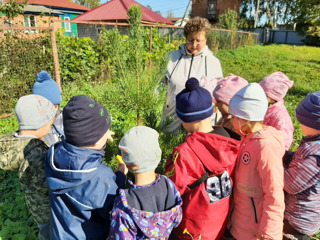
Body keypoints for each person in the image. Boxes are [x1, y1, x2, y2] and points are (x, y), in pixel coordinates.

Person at [164, 78, 242, 240]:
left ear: (184, 119)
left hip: (192, 229)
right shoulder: (230, 141)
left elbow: (172, 190)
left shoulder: (185, 153)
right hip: (219, 222)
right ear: (210, 111)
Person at [45, 95, 127, 240]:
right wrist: (121, 176)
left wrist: (101, 133)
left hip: (61, 233)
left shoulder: (54, 153)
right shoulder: (100, 177)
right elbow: (112, 209)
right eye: (104, 130)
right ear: (94, 139)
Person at [225, 83, 285, 240]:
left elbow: (274, 193)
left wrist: (269, 235)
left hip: (254, 233)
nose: (230, 121)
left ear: (245, 119)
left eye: (233, 117)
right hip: (237, 226)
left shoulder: (265, 147)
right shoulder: (246, 139)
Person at [108, 126, 183, 239]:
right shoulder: (168, 185)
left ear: (128, 163)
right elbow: (177, 219)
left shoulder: (124, 205)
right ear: (158, 156)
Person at [0, 94, 57, 240]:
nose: (50, 129)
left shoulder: (12, 143)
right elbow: (46, 186)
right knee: (49, 234)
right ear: (39, 124)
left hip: (33, 204)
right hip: (46, 210)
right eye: (50, 125)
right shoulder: (36, 153)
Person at [160, 16, 223, 133]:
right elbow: (159, 86)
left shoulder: (213, 62)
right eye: (190, 40)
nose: (194, 45)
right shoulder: (171, 58)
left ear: (206, 39)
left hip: (200, 124)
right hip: (172, 118)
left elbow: (219, 93)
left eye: (198, 41)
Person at [282, 91, 320, 240]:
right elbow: (302, 165)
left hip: (298, 222)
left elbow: (291, 184)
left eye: (302, 121)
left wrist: (273, 163)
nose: (299, 124)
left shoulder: (316, 154)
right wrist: (286, 155)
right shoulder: (313, 143)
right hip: (301, 217)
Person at [259, 71, 294, 150]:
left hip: (269, 151)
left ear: (274, 97)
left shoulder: (282, 119)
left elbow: (285, 142)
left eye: (263, 94)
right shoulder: (264, 106)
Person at [32, 70, 64, 146]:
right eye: (47, 107)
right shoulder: (34, 125)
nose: (51, 111)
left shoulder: (66, 118)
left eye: (55, 107)